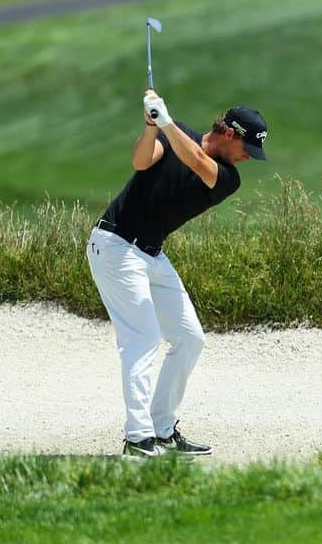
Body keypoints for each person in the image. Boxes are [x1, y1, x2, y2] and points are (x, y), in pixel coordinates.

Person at [86, 90, 268, 458]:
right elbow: (141, 161)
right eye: (247, 147)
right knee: (143, 339)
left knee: (189, 337)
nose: (249, 157)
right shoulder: (174, 134)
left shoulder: (228, 177)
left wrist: (165, 122)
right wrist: (152, 126)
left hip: (151, 255)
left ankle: (161, 428)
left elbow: (198, 160)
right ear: (230, 134)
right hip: (116, 247)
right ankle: (138, 439)